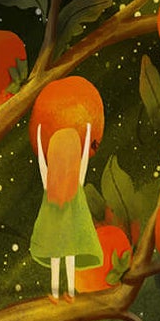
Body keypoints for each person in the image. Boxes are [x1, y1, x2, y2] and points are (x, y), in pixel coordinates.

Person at [30, 124, 104, 300]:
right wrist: (39, 139)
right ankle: (58, 294)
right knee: (61, 259)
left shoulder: (69, 182)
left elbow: (83, 159)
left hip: (66, 235)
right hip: (60, 235)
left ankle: (67, 293)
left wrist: (87, 136)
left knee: (65, 259)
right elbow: (43, 162)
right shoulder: (54, 184)